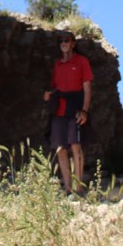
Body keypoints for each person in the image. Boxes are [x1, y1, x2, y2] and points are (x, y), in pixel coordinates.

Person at [43, 31, 92, 195]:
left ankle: (79, 188)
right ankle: (68, 188)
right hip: (59, 110)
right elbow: (54, 87)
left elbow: (87, 88)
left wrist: (84, 111)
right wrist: (48, 95)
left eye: (66, 40)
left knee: (75, 146)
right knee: (60, 148)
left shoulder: (82, 61)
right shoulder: (57, 65)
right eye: (61, 41)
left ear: (73, 44)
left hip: (75, 109)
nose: (63, 43)